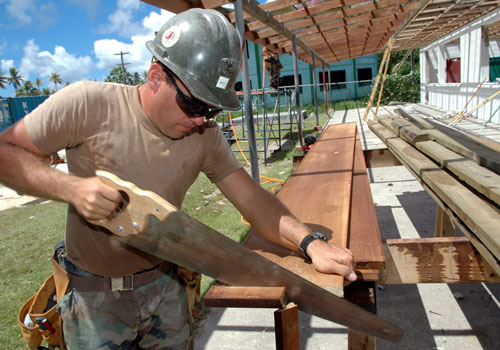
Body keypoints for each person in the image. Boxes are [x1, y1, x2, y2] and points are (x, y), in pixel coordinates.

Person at [0, 9, 355, 350]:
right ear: (156, 76)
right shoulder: (88, 105)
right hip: (94, 299)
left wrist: (310, 243)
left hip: (165, 286)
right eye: (194, 105)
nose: (202, 120)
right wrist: (71, 189)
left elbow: (252, 199)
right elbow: (5, 152)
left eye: (211, 109)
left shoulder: (205, 135)